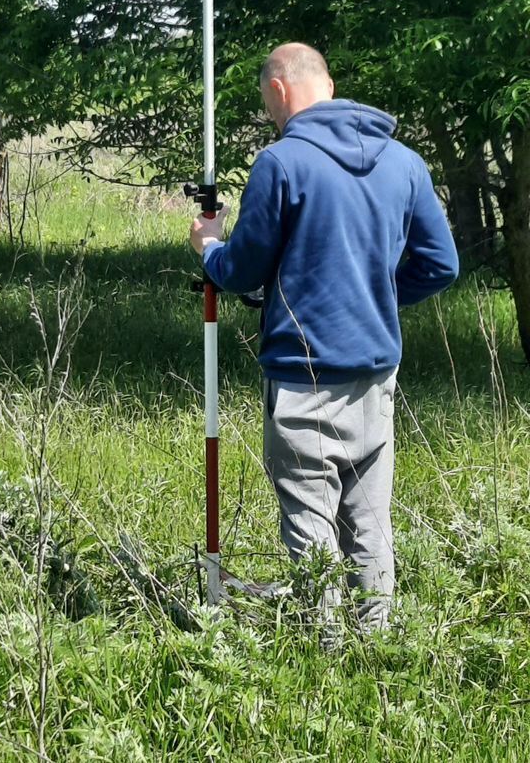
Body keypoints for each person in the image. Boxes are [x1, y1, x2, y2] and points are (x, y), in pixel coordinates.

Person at [189, 43, 459, 630]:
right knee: (369, 522)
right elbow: (441, 265)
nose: (268, 113)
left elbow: (243, 269)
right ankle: (377, 648)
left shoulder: (281, 163)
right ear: (329, 86)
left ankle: (327, 661)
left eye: (266, 101)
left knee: (311, 529)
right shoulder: (405, 163)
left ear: (280, 90)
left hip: (302, 375)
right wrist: (377, 300)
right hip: (376, 374)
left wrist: (209, 247)